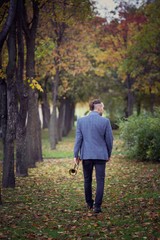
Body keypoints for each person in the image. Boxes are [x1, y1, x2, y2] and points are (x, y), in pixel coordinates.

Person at [74, 99, 113, 213]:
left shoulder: (81, 121)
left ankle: (89, 203)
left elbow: (78, 139)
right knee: (100, 180)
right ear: (99, 108)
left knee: (87, 180)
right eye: (103, 107)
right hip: (101, 155)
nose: (103, 109)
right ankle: (97, 206)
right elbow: (109, 141)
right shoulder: (105, 121)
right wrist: (108, 154)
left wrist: (76, 155)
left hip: (86, 155)